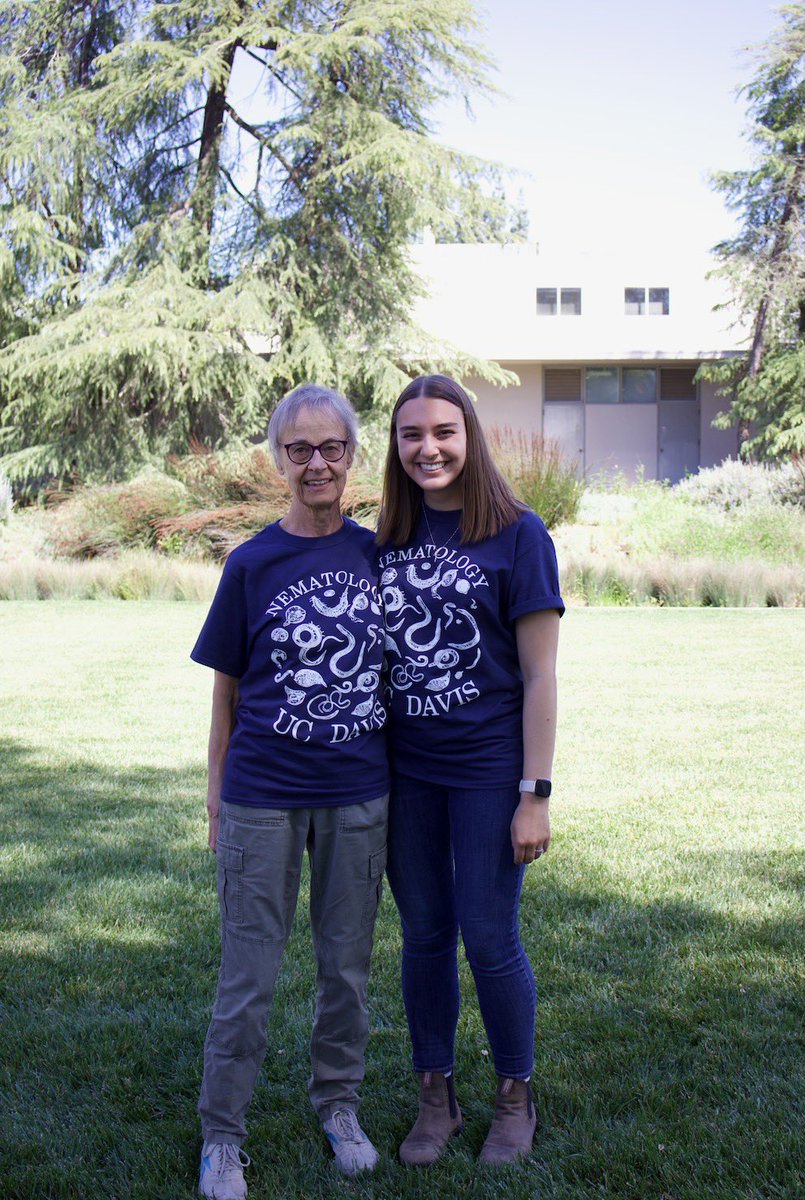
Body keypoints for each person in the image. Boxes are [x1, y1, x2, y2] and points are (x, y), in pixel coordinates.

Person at [191, 385, 389, 1199]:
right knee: (249, 976)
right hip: (261, 795)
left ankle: (338, 1106)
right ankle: (221, 1138)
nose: (316, 463)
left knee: (345, 970)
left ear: (351, 455)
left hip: (358, 793)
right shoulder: (251, 563)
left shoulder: (382, 552)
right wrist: (214, 797)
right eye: (298, 450)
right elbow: (226, 691)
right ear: (277, 460)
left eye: (330, 448)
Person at [376, 374, 564, 1166]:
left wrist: (534, 795)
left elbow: (541, 676)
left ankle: (514, 1098)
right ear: (396, 446)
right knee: (423, 938)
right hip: (404, 776)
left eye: (443, 432)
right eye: (411, 434)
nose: (428, 448)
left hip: (489, 773)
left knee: (489, 937)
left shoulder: (519, 535)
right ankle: (435, 1098)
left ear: (470, 436)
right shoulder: (382, 538)